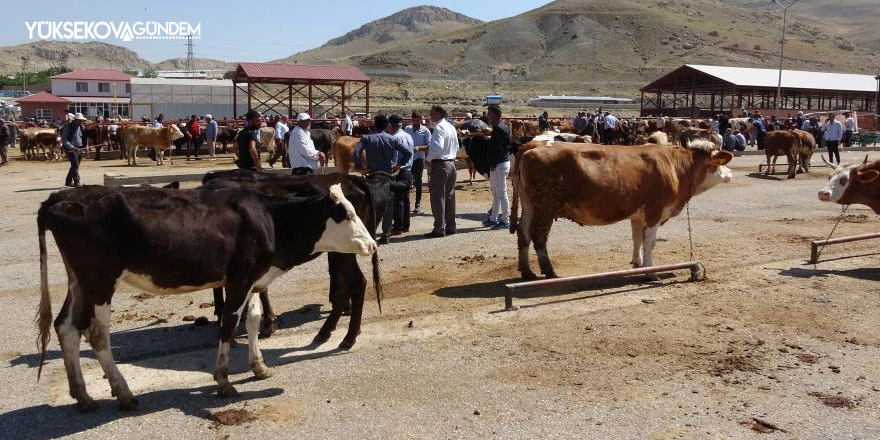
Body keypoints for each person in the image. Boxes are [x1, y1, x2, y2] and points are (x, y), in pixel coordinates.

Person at [353, 114, 412, 243]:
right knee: (389, 205)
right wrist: (399, 165)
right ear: (387, 125)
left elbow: (356, 152)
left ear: (374, 124)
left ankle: (369, 233)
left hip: (372, 175)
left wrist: (360, 168)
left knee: (369, 204)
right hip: (387, 175)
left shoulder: (367, 138)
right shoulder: (392, 139)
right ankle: (386, 234)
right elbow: (408, 152)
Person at [424, 105, 459, 238]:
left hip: (440, 164)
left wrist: (429, 159)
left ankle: (439, 228)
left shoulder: (439, 128)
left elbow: (437, 146)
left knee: (438, 197)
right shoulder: (450, 127)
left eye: (432, 113)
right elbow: (456, 146)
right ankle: (451, 226)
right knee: (449, 196)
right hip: (451, 163)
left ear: (438, 114)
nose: (430, 116)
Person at [481, 105, 511, 230]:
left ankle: (505, 219)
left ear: (494, 114)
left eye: (489, 114)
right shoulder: (504, 126)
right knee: (497, 193)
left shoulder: (498, 129)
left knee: (501, 193)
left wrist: (493, 164)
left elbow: (497, 149)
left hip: (498, 164)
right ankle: (494, 218)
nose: (487, 116)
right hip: (501, 163)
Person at [388, 115, 415, 235]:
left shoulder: (394, 138)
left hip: (398, 171)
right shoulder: (408, 136)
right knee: (406, 199)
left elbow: (394, 157)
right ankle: (405, 225)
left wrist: (398, 164)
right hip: (408, 170)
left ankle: (397, 226)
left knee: (397, 199)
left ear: (391, 125)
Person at [404, 111, 431, 215]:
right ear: (412, 119)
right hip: (407, 158)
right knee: (406, 181)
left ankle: (417, 204)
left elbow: (429, 145)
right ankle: (406, 202)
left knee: (418, 182)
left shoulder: (425, 131)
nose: (416, 121)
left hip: (419, 159)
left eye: (418, 119)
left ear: (421, 119)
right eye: (414, 119)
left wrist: (419, 148)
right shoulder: (407, 129)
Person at [60, 112, 87, 186]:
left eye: (81, 120)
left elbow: (84, 138)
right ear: (75, 120)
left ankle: (68, 181)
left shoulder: (81, 127)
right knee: (75, 165)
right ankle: (76, 181)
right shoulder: (68, 127)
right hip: (71, 149)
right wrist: (72, 147)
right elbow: (64, 139)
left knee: (75, 165)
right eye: (79, 120)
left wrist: (85, 147)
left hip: (79, 148)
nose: (81, 121)